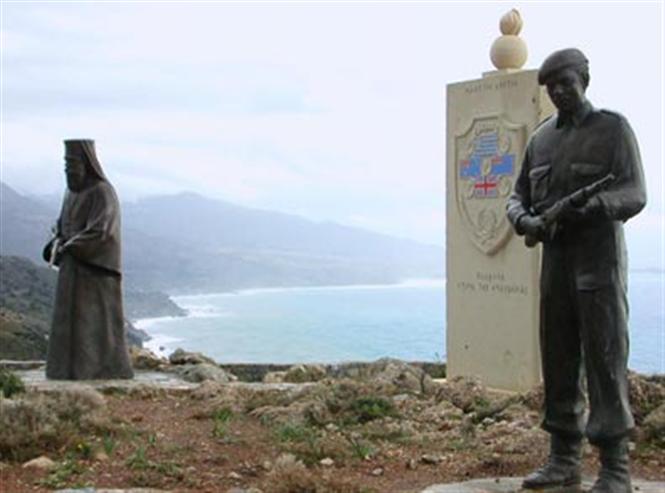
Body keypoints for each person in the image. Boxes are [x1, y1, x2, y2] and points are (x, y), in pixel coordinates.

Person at [506, 48, 646, 493]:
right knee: (559, 357)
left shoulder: (613, 130)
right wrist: (524, 220)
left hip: (598, 265)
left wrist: (592, 208)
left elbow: (635, 193)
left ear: (584, 79)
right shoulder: (541, 139)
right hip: (557, 265)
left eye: (566, 82)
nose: (559, 92)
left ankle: (614, 468)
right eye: (551, 87)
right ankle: (563, 459)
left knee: (605, 360)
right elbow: (518, 195)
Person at [43, 139, 134, 380]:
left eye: (73, 165)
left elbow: (102, 231)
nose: (69, 171)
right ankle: (65, 370)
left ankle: (101, 369)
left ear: (87, 164)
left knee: (94, 325)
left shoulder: (102, 192)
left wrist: (71, 246)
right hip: (71, 269)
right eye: (66, 166)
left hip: (94, 271)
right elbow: (62, 225)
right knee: (68, 324)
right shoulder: (69, 194)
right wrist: (57, 241)